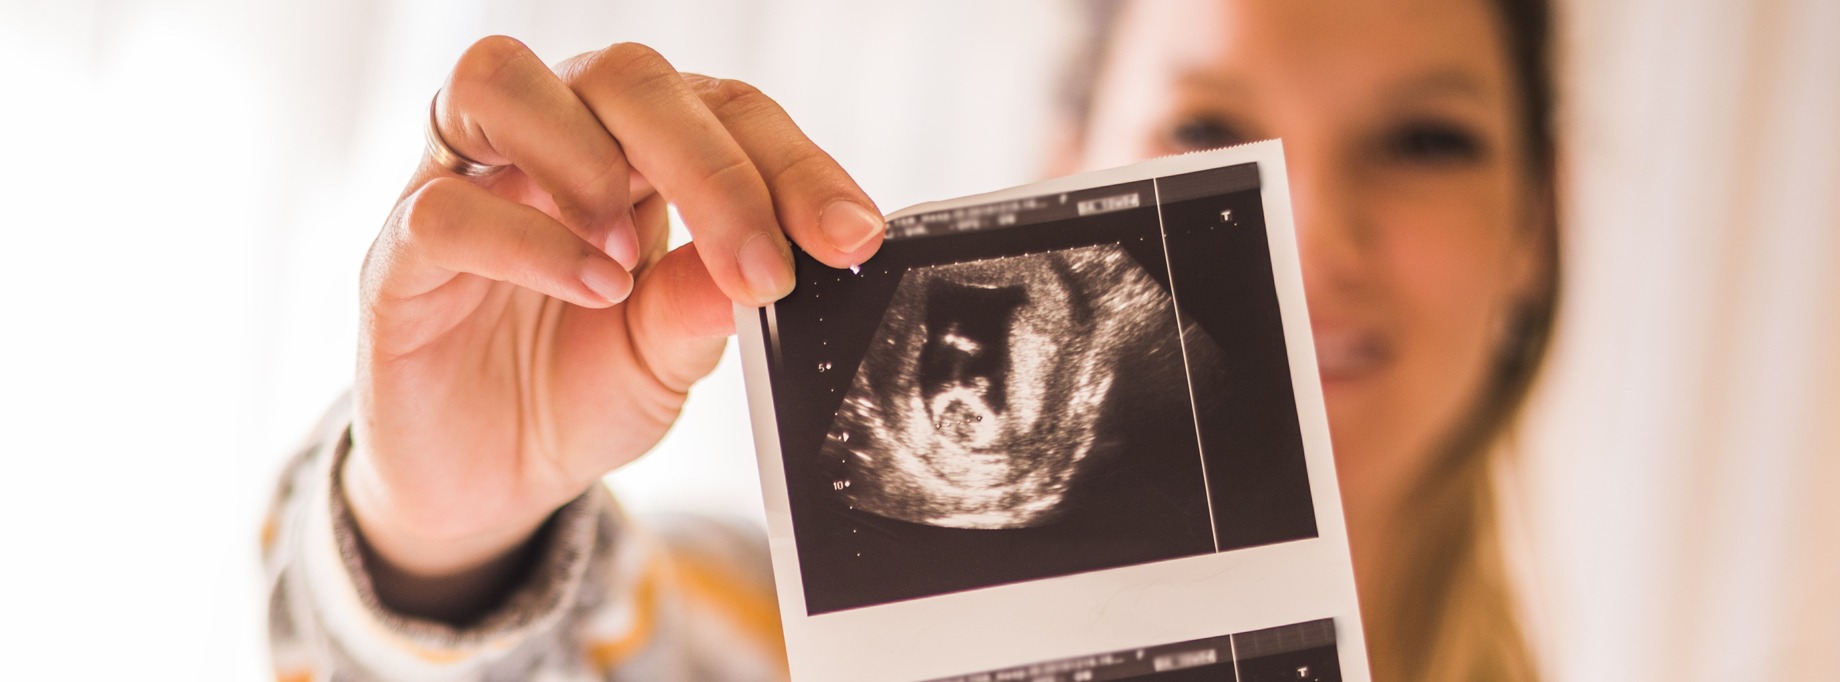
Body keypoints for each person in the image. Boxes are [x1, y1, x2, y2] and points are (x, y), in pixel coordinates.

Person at [263, 0, 1558, 679]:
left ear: (1532, 233)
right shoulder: (773, 648)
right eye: (1204, 127)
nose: (1311, 234)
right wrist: (444, 550)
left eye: (1428, 142)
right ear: (1068, 174)